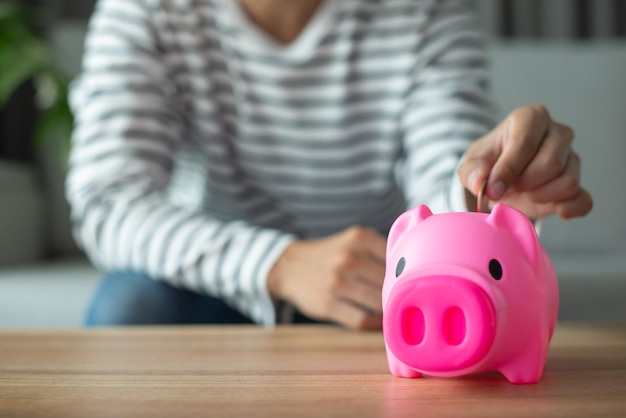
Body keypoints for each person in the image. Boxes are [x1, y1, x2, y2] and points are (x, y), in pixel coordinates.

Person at [67, 0, 592, 330]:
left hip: (381, 287)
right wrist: (281, 264)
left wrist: (481, 198)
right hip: (226, 283)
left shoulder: (429, 13)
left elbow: (443, 172)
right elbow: (108, 200)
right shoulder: (146, 12)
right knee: (130, 304)